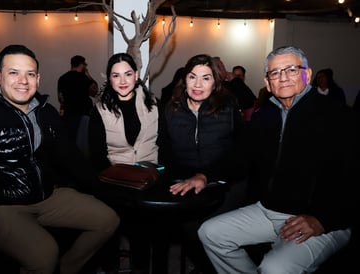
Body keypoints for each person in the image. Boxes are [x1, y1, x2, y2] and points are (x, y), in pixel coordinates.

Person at [0, 44, 120, 274]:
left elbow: (70, 157)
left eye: (30, 74)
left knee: (108, 220)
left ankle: (67, 268)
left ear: (38, 79)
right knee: (44, 254)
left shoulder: (46, 113)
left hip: (44, 196)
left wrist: (104, 186)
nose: (23, 80)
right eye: (14, 72)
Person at [198, 46, 359, 274]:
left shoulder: (338, 116)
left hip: (322, 219)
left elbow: (353, 179)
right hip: (268, 211)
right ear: (267, 81)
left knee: (275, 268)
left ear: (308, 74)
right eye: (275, 73)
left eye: (292, 69)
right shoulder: (265, 115)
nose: (283, 77)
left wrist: (324, 219)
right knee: (210, 233)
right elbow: (241, 157)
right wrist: (205, 175)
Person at [158, 54, 248, 274]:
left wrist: (207, 175)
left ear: (215, 82)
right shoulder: (171, 109)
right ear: (184, 79)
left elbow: (242, 154)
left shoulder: (228, 108)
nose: (198, 84)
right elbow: (166, 152)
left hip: (226, 183)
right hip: (189, 184)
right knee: (190, 229)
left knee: (210, 231)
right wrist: (181, 177)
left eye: (206, 78)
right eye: (192, 77)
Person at [88, 52, 159, 274]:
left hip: (149, 178)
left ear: (137, 75)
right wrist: (109, 185)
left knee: (142, 234)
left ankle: (140, 268)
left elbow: (165, 142)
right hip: (116, 180)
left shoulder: (154, 104)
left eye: (128, 74)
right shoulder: (100, 109)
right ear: (109, 79)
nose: (122, 81)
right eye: (115, 75)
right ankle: (111, 267)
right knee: (110, 229)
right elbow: (97, 154)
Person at [57, 55, 94, 140]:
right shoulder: (84, 77)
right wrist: (88, 75)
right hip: (84, 113)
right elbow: (94, 91)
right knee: (84, 140)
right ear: (81, 64)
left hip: (68, 113)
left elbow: (60, 98)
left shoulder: (62, 78)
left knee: (70, 139)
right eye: (84, 64)